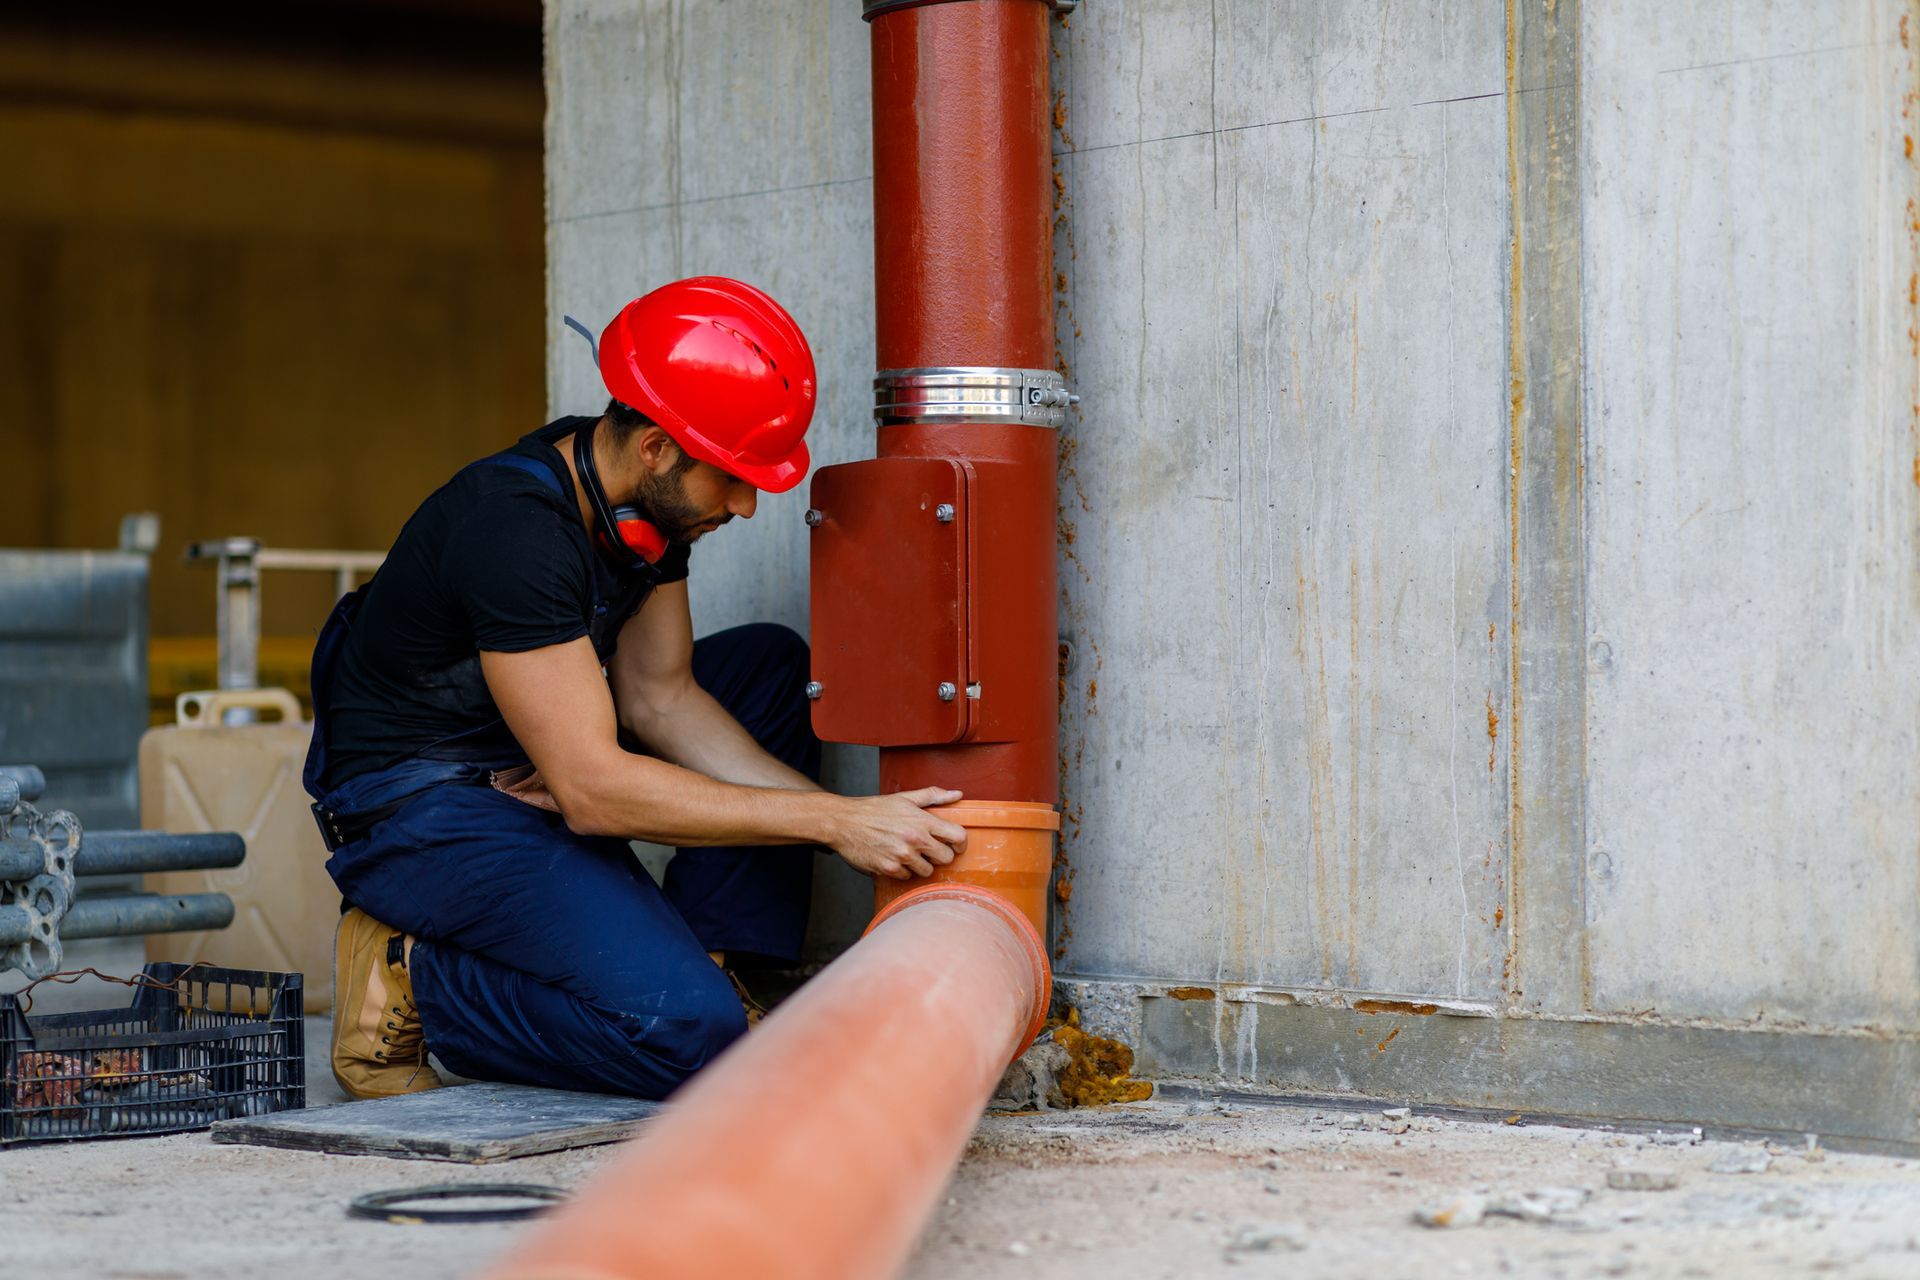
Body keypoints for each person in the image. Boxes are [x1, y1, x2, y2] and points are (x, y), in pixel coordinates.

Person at [302, 276, 969, 1101]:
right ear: (655, 446)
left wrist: (857, 831)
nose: (749, 504)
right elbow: (591, 793)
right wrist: (835, 821)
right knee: (687, 1039)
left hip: (534, 747)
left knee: (766, 666)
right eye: (729, 476)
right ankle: (417, 975)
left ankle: (700, 963)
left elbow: (662, 698)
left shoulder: (644, 514)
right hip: (420, 806)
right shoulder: (513, 529)